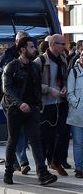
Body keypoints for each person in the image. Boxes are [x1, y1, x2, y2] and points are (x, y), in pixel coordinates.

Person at [2, 36, 58, 185]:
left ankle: (42, 174)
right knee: (13, 140)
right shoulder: (11, 66)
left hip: (32, 109)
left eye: (34, 47)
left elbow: (37, 87)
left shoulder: (34, 67)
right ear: (22, 49)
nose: (34, 49)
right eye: (31, 47)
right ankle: (8, 173)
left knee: (35, 141)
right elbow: (7, 89)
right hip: (14, 109)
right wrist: (20, 104)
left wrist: (37, 104)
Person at [0, 31, 31, 173]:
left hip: (26, 100)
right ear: (16, 42)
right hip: (10, 100)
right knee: (17, 131)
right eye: (21, 41)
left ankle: (14, 161)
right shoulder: (6, 56)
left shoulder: (31, 57)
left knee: (22, 133)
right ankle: (23, 161)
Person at [34, 34, 70, 175]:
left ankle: (56, 161)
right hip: (46, 104)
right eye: (62, 44)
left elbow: (66, 78)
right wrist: (50, 90)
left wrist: (65, 87)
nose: (64, 46)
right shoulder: (40, 61)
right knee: (45, 136)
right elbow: (34, 84)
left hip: (61, 103)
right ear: (53, 44)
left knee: (64, 133)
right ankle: (41, 167)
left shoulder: (63, 59)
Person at [66, 50, 83, 178]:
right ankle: (79, 168)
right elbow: (69, 93)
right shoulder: (74, 72)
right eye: (82, 55)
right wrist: (76, 104)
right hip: (77, 113)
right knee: (78, 142)